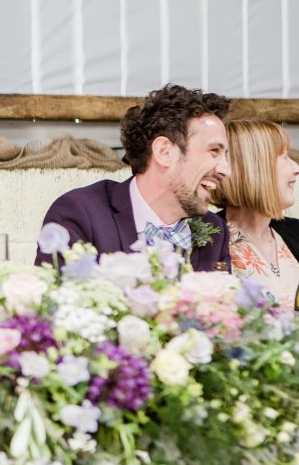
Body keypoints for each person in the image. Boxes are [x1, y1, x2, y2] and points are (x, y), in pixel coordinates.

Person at [35, 84, 232, 271]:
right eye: (214, 151)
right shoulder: (81, 214)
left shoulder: (215, 230)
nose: (226, 170)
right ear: (164, 152)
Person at [212, 119, 299, 309]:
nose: (296, 168)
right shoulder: (206, 241)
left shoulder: (295, 231)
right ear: (254, 167)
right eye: (284, 157)